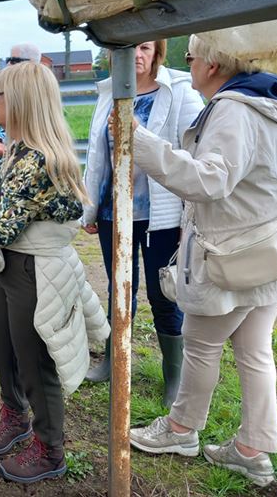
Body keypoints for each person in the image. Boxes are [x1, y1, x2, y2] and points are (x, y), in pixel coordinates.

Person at [128, 36, 277, 488]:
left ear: (211, 61)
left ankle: (182, 430)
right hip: (266, 249)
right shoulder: (269, 105)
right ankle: (252, 450)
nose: (188, 65)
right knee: (255, 351)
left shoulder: (234, 109)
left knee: (201, 342)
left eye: (190, 56)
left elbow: (210, 179)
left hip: (229, 254)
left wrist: (139, 142)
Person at [0, 61, 107, 484]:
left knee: (35, 360)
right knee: (3, 350)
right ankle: (15, 417)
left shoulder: (41, 160)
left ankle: (50, 448)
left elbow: (2, 222)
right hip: (11, 265)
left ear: (23, 102)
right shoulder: (16, 150)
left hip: (33, 269)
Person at [82, 40, 205, 408]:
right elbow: (96, 155)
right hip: (112, 213)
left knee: (163, 293)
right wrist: (90, 209)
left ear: (157, 53)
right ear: (113, 54)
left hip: (161, 217)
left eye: (145, 47)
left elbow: (192, 157)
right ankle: (113, 361)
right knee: (119, 290)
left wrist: (189, 214)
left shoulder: (178, 92)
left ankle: (174, 375)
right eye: (129, 48)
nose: (137, 54)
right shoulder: (108, 93)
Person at [0, 44, 42, 176]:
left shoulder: (38, 97)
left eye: (14, 60)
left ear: (31, 63)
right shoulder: (3, 90)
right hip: (2, 164)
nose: (9, 64)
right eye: (8, 60)